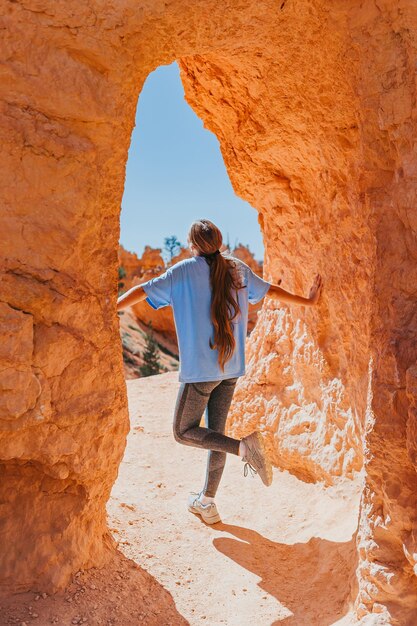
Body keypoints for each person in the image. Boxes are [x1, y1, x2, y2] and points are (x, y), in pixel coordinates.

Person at [117, 218, 322, 524]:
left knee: (183, 431)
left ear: (193, 245)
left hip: (202, 372)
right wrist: (308, 301)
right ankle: (207, 502)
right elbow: (271, 291)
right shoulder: (237, 268)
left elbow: (141, 291)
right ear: (219, 242)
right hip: (231, 369)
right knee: (215, 433)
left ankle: (244, 448)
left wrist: (110, 307)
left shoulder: (182, 272)